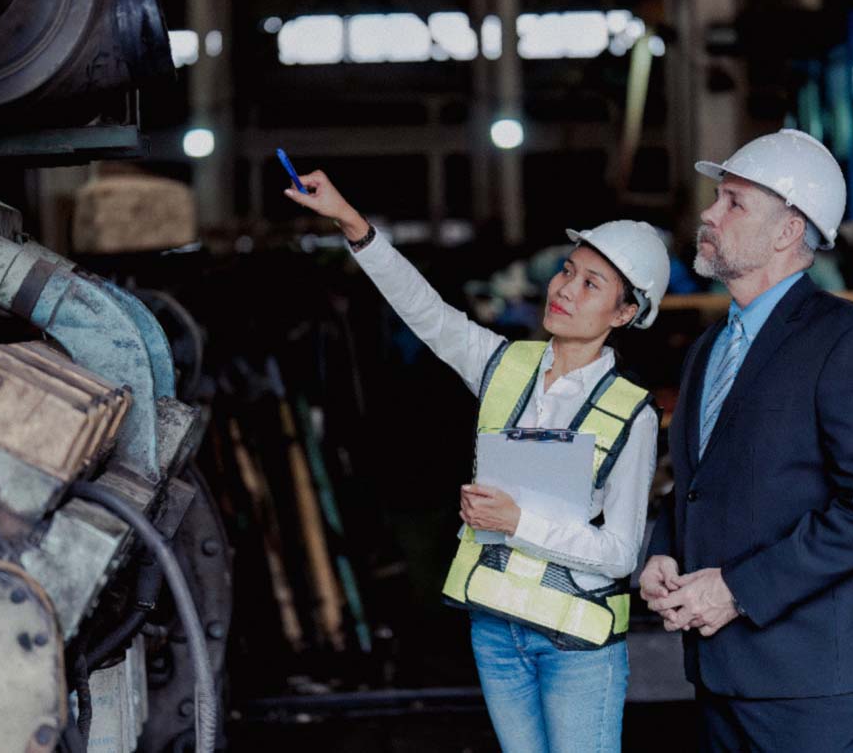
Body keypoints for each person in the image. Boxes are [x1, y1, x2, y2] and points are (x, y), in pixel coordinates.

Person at [285, 170, 670, 753]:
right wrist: (351, 223)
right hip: (495, 628)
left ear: (624, 314)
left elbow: (620, 554)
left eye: (591, 284)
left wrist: (517, 523)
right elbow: (426, 312)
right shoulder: (502, 364)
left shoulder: (630, 413)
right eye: (567, 270)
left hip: (576, 644)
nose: (564, 289)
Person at [639, 129, 853, 752]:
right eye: (718, 197)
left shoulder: (849, 343)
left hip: (810, 675)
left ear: (788, 230)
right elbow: (701, 481)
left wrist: (737, 590)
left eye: (734, 202)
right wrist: (662, 550)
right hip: (722, 668)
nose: (709, 214)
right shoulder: (711, 347)